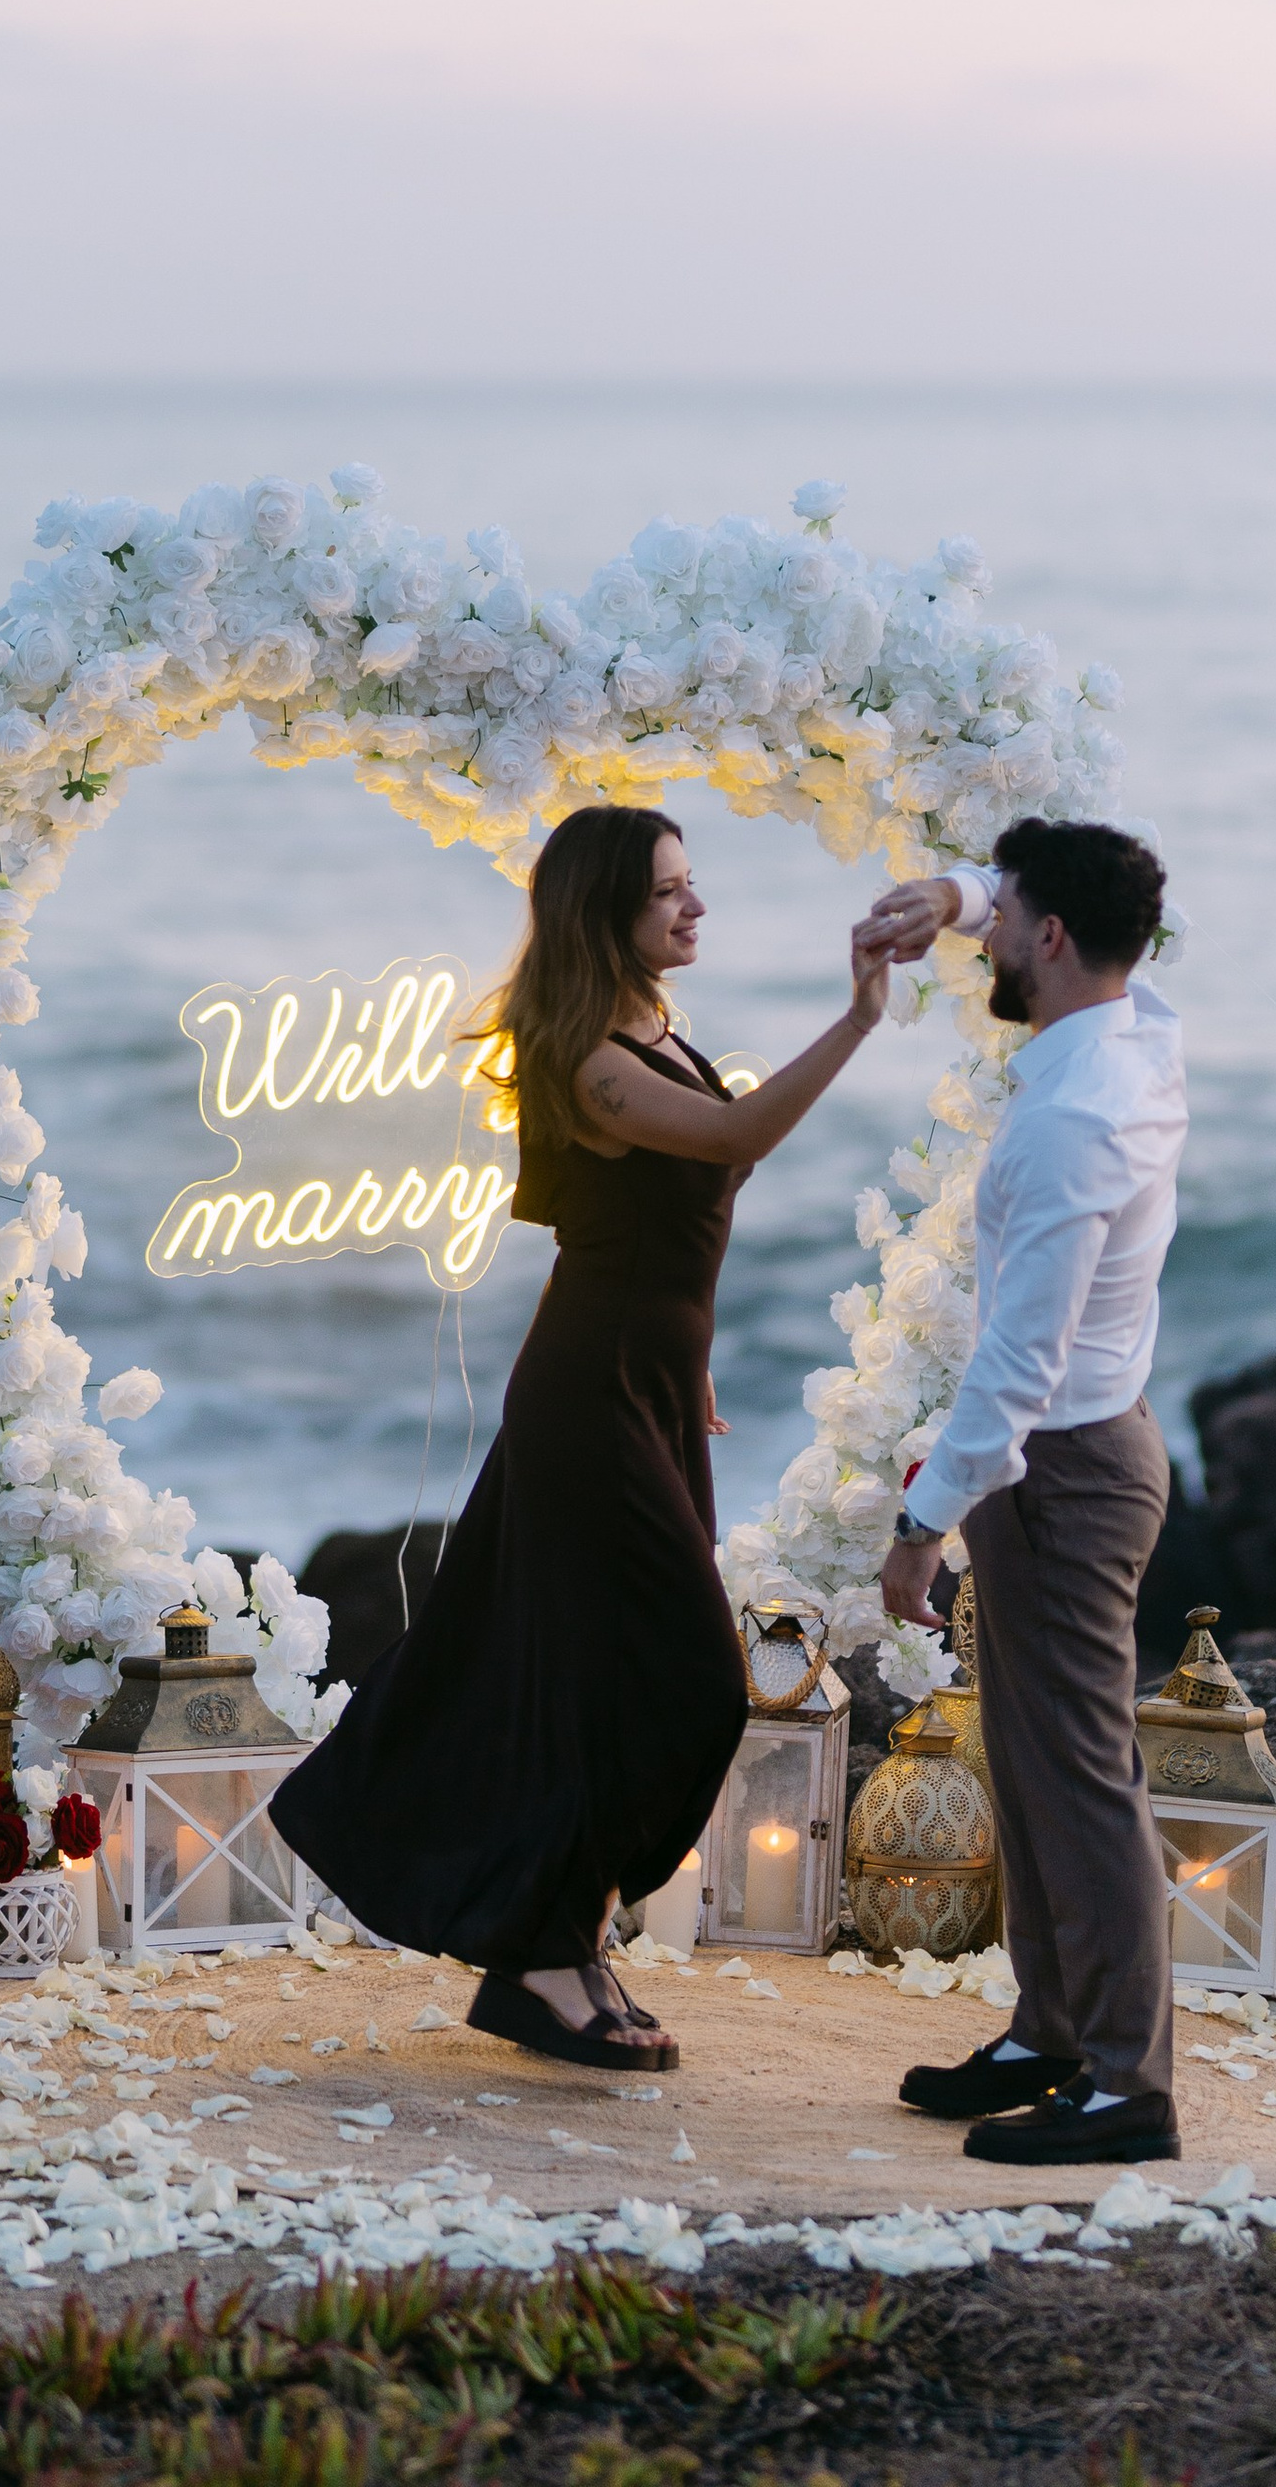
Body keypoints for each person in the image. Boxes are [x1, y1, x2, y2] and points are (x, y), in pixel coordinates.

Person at [270, 803, 899, 2071]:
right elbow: (729, 1142)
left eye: (690, 883)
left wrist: (692, 1358)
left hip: (650, 1381)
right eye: (667, 890)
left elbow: (681, 1206)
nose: (695, 906)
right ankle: (542, 1948)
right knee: (683, 1677)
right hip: (591, 1387)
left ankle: (555, 1949)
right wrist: (858, 1020)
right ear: (605, 910)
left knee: (594, 1681)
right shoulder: (591, 1060)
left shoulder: (654, 1033)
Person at [868, 816, 1183, 2167]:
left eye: (999, 912)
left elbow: (1021, 1360)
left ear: (1051, 937)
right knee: (1040, 1773)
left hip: (1062, 1470)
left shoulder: (1071, 1117)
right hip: (1067, 1459)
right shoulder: (1134, 1034)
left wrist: (919, 1526)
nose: (982, 930)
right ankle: (1052, 2035)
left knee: (1082, 1782)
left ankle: (1128, 2086)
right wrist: (950, 891)